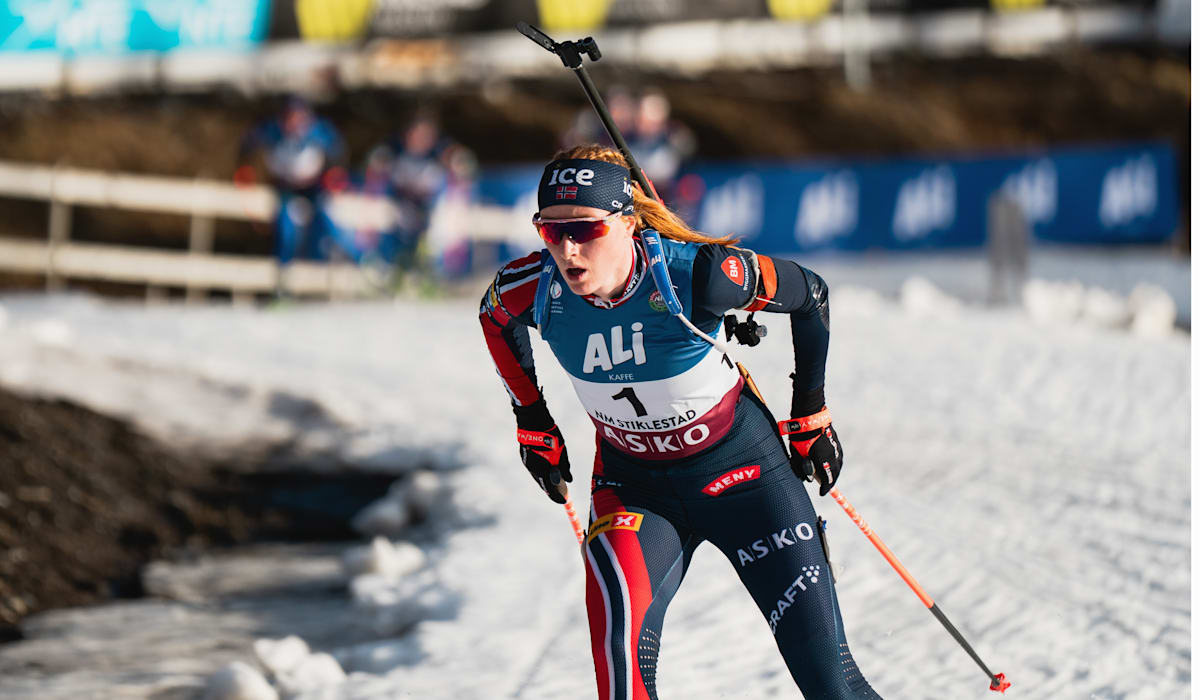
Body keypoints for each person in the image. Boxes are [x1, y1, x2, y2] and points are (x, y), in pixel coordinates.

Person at [479, 144, 882, 699]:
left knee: (833, 688)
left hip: (745, 478)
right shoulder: (535, 286)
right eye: (551, 231)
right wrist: (534, 422)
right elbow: (493, 317)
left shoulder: (698, 276)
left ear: (627, 224)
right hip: (635, 490)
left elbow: (811, 296)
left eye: (586, 230)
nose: (568, 250)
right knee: (622, 675)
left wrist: (810, 411)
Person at [237, 97, 346, 268]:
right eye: (289, 118)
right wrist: (245, 172)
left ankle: (319, 265)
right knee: (284, 227)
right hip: (284, 186)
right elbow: (246, 145)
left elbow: (338, 150)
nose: (293, 124)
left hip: (312, 186)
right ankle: (283, 274)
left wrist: (333, 177)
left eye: (298, 118)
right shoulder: (271, 130)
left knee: (324, 221)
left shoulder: (318, 131)